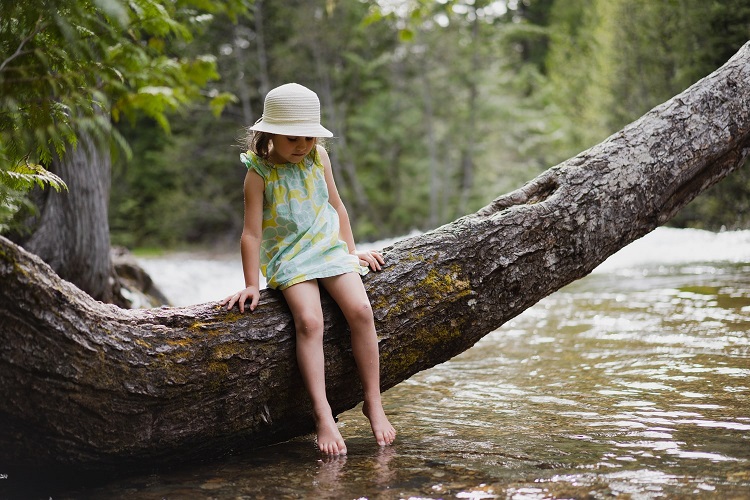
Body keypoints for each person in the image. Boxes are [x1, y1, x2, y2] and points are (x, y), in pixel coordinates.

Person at [221, 83, 396, 455]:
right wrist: (251, 284)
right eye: (292, 139)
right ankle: (323, 414)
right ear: (269, 134)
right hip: (290, 257)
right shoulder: (259, 174)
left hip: (326, 248)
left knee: (362, 311)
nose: (302, 146)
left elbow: (337, 205)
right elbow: (251, 234)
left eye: (309, 138)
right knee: (310, 322)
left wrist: (352, 252)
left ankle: (373, 402)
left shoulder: (320, 159)